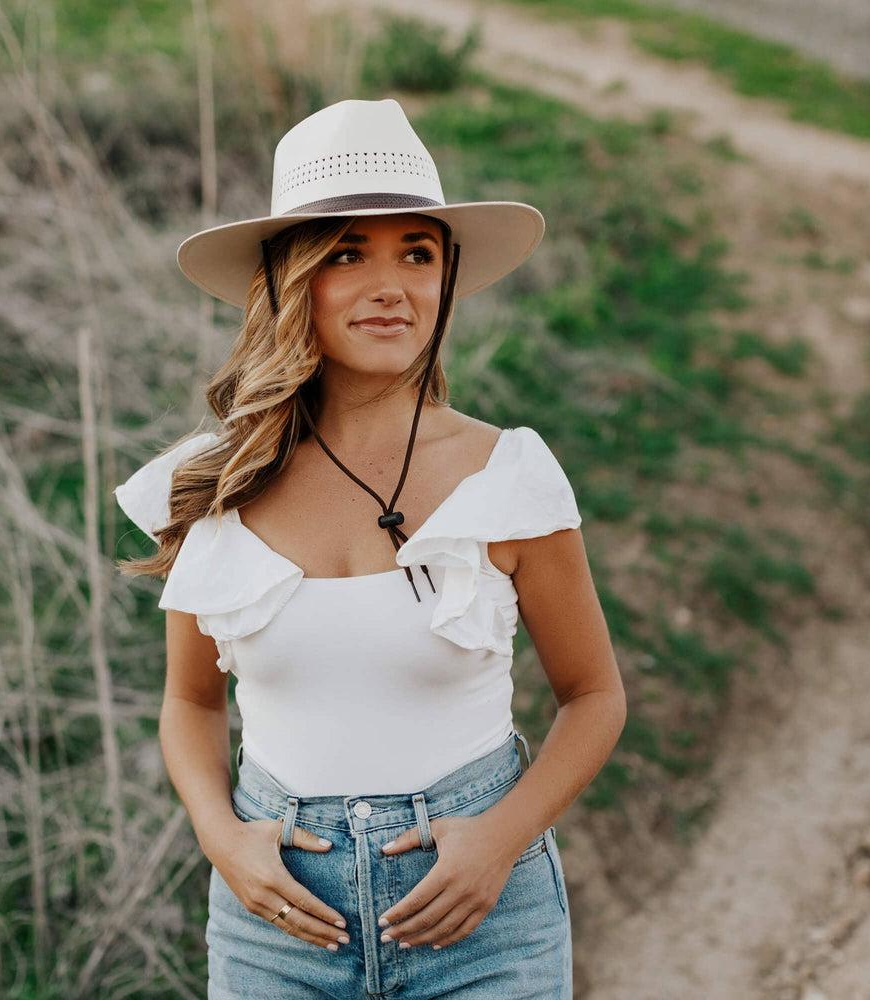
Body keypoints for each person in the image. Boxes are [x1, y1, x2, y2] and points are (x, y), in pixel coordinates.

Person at [114, 98, 625, 1000]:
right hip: (276, 922)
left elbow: (594, 697)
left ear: (445, 280)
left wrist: (499, 842)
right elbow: (190, 702)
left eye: (416, 254)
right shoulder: (214, 483)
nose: (391, 285)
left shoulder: (506, 476)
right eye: (348, 252)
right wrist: (221, 837)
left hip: (480, 912)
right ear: (288, 279)